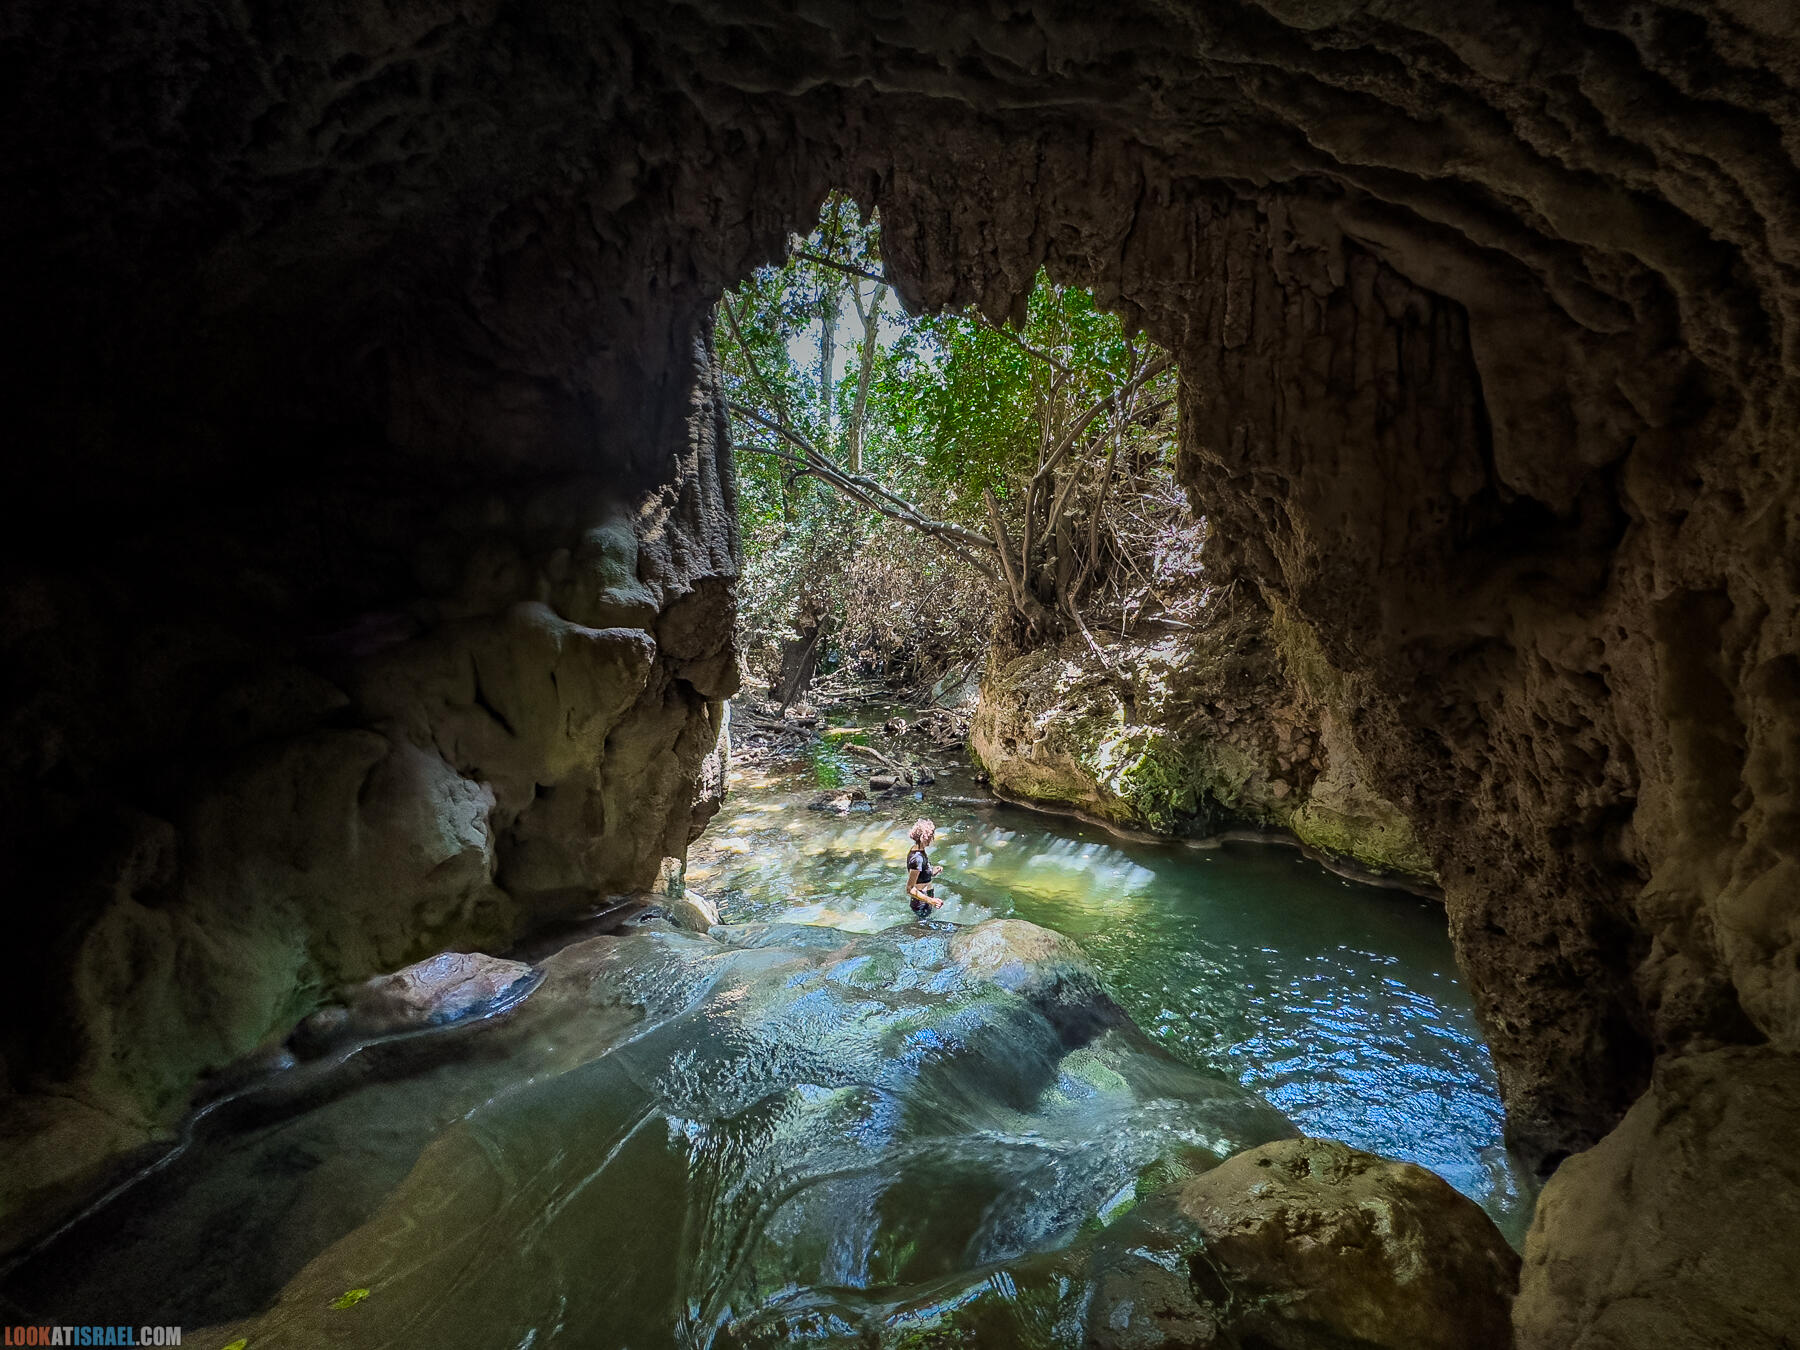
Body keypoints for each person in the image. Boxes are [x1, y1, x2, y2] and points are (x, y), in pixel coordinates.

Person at [905, 818, 944, 918]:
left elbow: (922, 875)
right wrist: (931, 900)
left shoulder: (920, 851)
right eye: (930, 836)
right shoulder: (917, 858)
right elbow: (910, 889)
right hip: (921, 902)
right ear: (924, 837)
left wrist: (934, 870)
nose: (932, 839)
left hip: (924, 899)